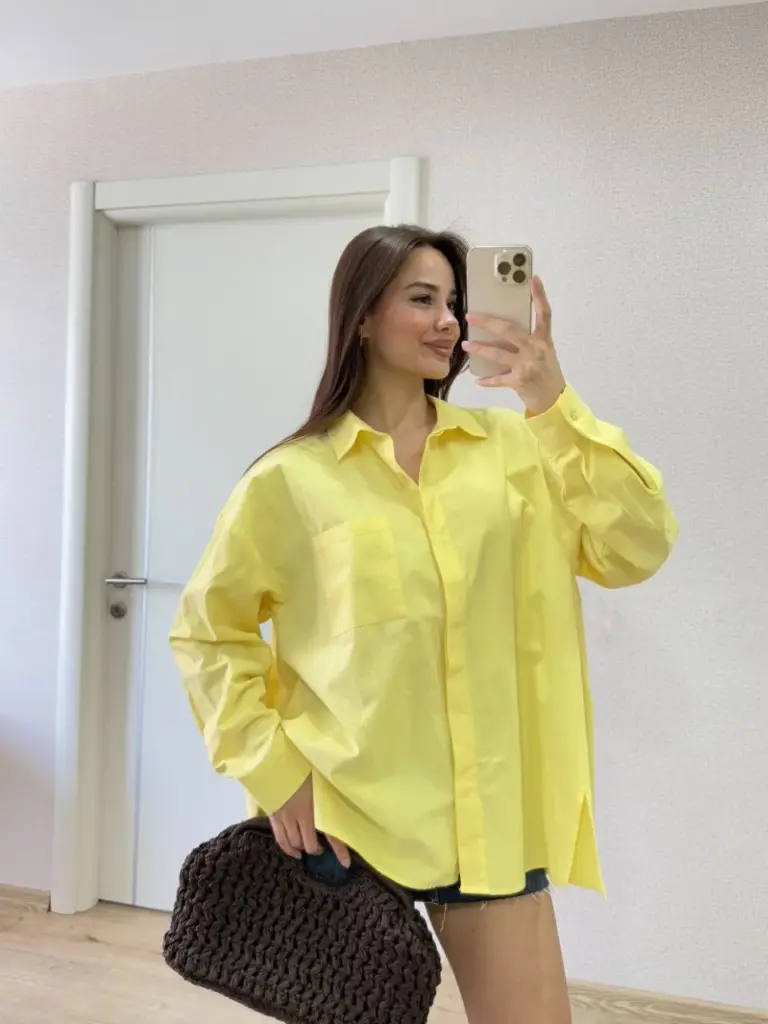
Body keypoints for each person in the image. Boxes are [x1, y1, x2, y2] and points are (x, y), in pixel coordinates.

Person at [169, 224, 677, 1024]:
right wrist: (275, 772)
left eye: (453, 302)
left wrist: (551, 400)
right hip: (346, 826)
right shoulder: (290, 480)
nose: (447, 320)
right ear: (363, 318)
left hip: (491, 822)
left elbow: (636, 546)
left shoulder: (517, 450)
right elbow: (208, 631)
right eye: (421, 299)